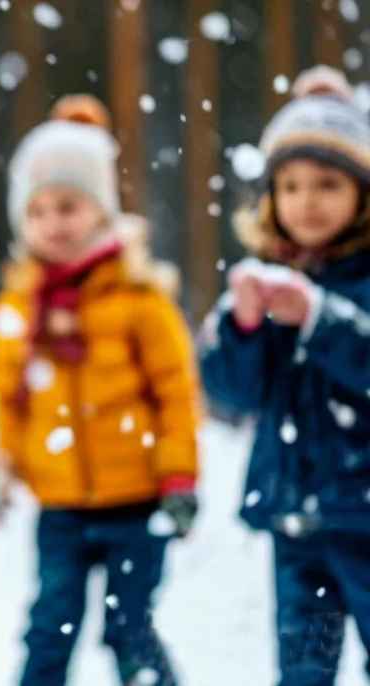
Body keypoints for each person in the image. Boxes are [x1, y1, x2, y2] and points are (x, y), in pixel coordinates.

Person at [0, 94, 200, 686]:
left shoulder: (140, 300)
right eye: (39, 210)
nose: (53, 222)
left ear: (102, 211)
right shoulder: (18, 307)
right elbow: (8, 395)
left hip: (138, 501)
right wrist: (3, 463)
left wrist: (179, 477)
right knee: (50, 624)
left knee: (129, 626)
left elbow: (176, 393)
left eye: (69, 205)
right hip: (60, 507)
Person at [199, 65, 370, 686]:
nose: (308, 200)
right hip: (296, 526)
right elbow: (231, 393)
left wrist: (320, 321)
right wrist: (245, 326)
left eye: (328, 182)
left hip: (365, 515)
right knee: (302, 670)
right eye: (291, 184)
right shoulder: (263, 280)